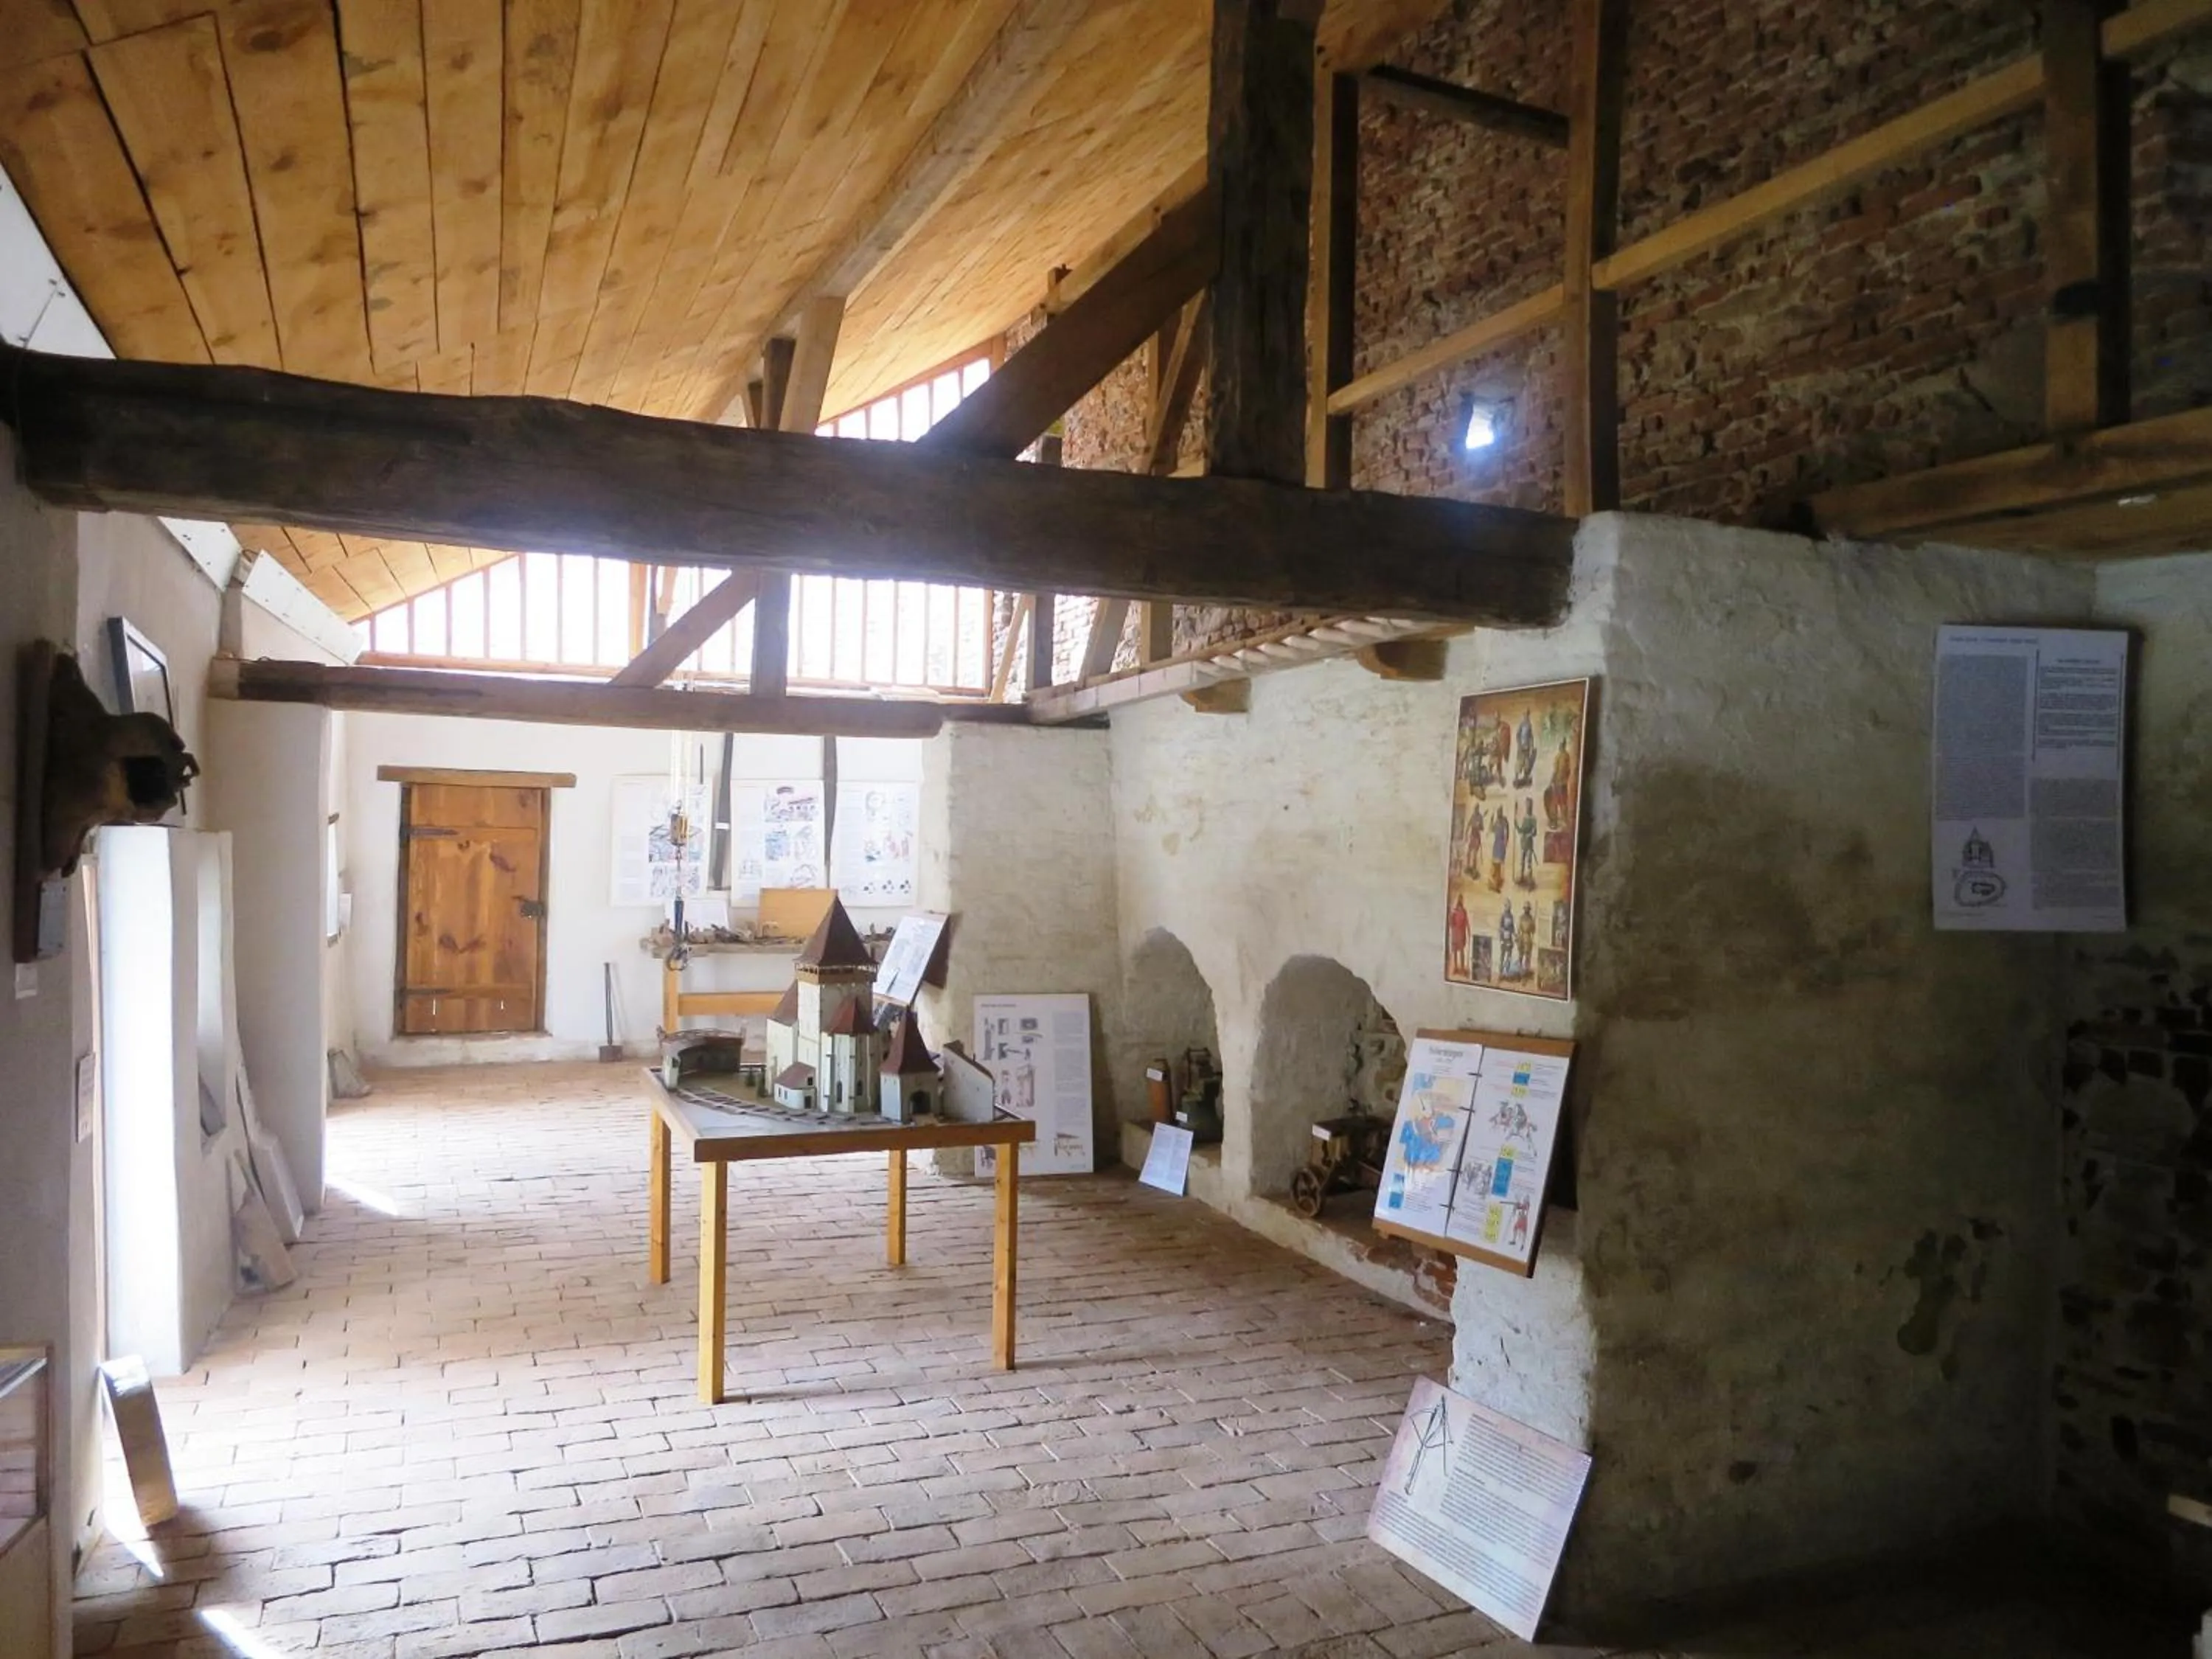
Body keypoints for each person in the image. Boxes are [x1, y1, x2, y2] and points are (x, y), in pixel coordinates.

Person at [1515, 798, 1540, 888]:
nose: (1528, 807)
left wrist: (1529, 835)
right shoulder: (1525, 818)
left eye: (1529, 805)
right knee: (1522, 861)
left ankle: (1529, 880)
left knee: (1529, 862)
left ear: (1532, 806)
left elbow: (1534, 831)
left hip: (1529, 844)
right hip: (1523, 844)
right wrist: (1516, 825)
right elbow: (1521, 830)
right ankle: (1521, 877)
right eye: (1527, 805)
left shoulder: (1533, 819)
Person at [1447, 894, 1470, 977]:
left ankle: (1462, 968)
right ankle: (1456, 967)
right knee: (1456, 951)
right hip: (1456, 933)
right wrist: (1452, 915)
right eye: (1460, 899)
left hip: (1461, 933)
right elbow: (1450, 923)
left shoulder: (1464, 911)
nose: (1461, 901)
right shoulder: (1455, 911)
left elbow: (1466, 921)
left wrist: (1468, 931)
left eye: (1462, 899)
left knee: (1461, 951)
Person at [1489, 801, 1510, 891]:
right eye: (1498, 812)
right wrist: (1491, 820)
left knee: (1498, 867)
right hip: (1496, 844)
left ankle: (1497, 885)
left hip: (1501, 844)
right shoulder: (1497, 821)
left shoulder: (1504, 822)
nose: (1499, 813)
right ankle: (1494, 883)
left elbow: (1506, 834)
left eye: (1500, 812)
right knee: (1495, 865)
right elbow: (1491, 829)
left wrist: (1505, 845)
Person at [1497, 902, 1516, 981]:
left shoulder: (1511, 916)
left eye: (1509, 906)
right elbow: (1500, 928)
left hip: (1509, 939)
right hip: (1504, 938)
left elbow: (1512, 928)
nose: (1508, 908)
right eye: (1507, 906)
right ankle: (1500, 973)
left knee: (1509, 956)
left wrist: (1515, 935)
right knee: (1502, 956)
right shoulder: (1503, 916)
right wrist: (1501, 939)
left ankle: (1507, 972)